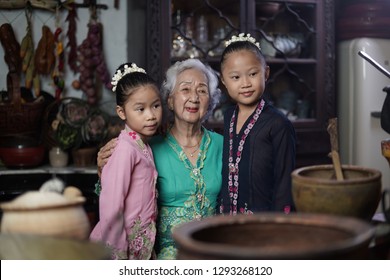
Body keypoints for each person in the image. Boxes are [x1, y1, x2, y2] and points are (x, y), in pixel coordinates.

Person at [96, 58, 223, 260]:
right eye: (185, 89)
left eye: (202, 90)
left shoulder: (223, 145)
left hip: (213, 249)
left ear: (211, 102)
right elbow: (114, 200)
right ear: (170, 100)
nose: (194, 97)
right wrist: (102, 169)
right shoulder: (147, 147)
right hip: (164, 255)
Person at [89, 63, 163, 260]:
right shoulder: (123, 149)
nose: (151, 116)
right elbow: (112, 206)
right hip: (119, 248)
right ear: (122, 113)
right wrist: (118, 257)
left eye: (156, 106)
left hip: (139, 245)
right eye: (140, 109)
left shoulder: (141, 145)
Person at [217, 33, 297, 215]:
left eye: (253, 74)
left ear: (266, 73)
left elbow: (285, 183)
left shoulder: (278, 124)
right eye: (235, 77)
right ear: (223, 80)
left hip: (262, 224)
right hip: (228, 220)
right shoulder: (229, 116)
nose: (245, 83)